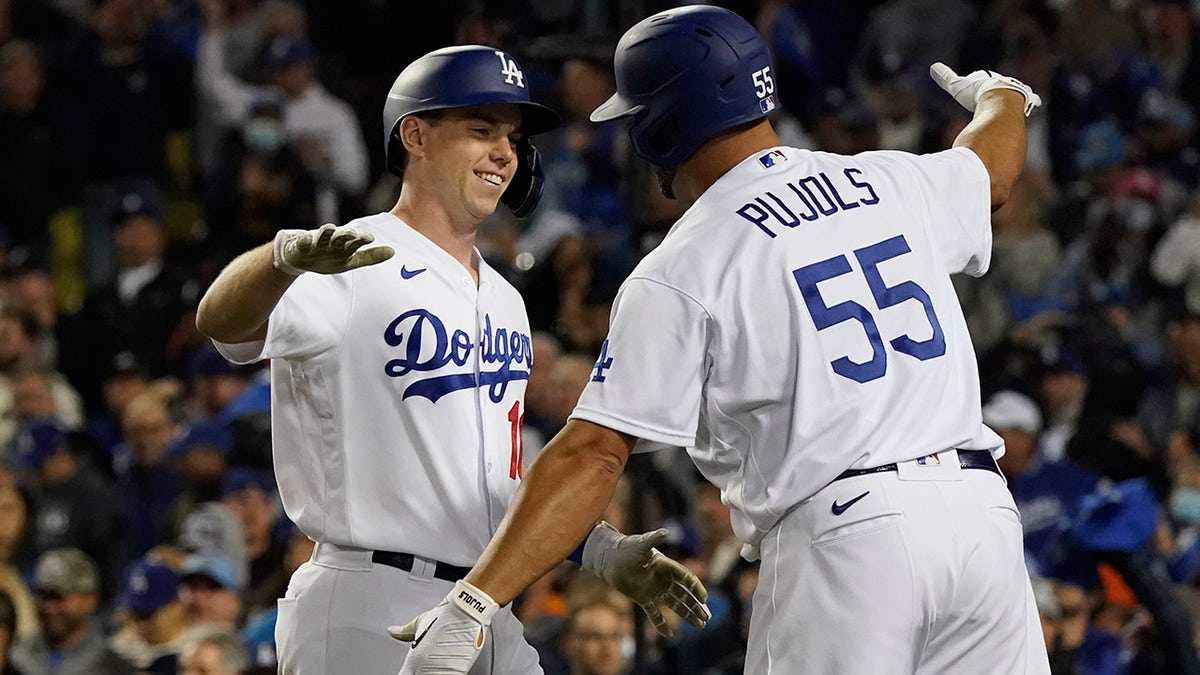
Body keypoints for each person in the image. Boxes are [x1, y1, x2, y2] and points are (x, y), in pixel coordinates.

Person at [395, 5, 1052, 675]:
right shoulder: (888, 177)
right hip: (983, 520)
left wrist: (475, 600)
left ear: (661, 124)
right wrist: (1003, 94)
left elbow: (592, 452)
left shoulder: (687, 262)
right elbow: (990, 173)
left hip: (848, 538)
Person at [194, 43, 707, 674]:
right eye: (481, 129)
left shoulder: (505, 299)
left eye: (513, 138)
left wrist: (596, 547)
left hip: (484, 602)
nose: (504, 153)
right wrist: (279, 259)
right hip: (370, 598)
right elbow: (222, 327)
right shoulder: (351, 255)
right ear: (415, 134)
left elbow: (496, 480)